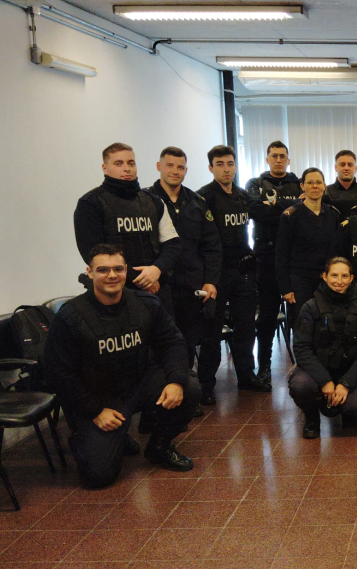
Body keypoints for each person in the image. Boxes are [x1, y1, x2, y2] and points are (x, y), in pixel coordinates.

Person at [43, 244, 199, 488]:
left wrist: (176, 381)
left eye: (118, 269)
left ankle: (159, 446)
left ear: (126, 270)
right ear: (90, 273)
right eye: (103, 270)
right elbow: (59, 372)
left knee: (189, 386)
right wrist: (95, 411)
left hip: (138, 384)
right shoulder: (71, 316)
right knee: (98, 477)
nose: (112, 275)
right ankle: (88, 437)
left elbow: (173, 342)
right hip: (98, 397)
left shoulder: (146, 304)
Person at [196, 145, 270, 404]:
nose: (226, 169)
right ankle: (206, 385)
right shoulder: (203, 197)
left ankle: (246, 376)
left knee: (245, 328)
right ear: (211, 168)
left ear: (236, 166)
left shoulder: (242, 196)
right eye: (220, 164)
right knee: (212, 331)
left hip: (243, 270)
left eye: (230, 164)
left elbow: (264, 213)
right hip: (216, 274)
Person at [74, 142, 181, 314]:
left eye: (131, 163)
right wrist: (142, 280)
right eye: (119, 163)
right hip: (115, 292)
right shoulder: (90, 203)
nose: (127, 168)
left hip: (158, 288)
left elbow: (173, 243)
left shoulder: (154, 201)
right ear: (105, 168)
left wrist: (157, 270)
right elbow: (92, 253)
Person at [148, 147, 222, 368]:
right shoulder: (145, 201)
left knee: (188, 343)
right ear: (159, 167)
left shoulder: (197, 202)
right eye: (169, 166)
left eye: (180, 167)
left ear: (186, 171)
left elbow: (212, 246)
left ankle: (185, 385)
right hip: (159, 286)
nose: (175, 171)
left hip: (191, 286)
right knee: (160, 344)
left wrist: (210, 281)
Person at [289, 257, 357, 437]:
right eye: (334, 275)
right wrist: (325, 381)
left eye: (344, 276)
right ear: (325, 276)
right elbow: (301, 348)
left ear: (351, 278)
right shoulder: (310, 307)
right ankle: (312, 419)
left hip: (349, 372)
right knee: (300, 386)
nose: (339, 281)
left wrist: (346, 384)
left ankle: (347, 413)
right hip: (317, 371)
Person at [246, 141, 302, 387]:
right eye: (274, 156)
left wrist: (273, 204)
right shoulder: (255, 184)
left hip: (294, 260)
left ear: (288, 160)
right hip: (265, 259)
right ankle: (265, 367)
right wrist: (289, 208)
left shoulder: (299, 182)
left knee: (300, 317)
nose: (278, 160)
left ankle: (304, 367)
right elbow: (255, 211)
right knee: (267, 317)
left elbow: (305, 208)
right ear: (267, 158)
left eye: (282, 156)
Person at [276, 167, 342, 325]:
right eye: (310, 183)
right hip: (300, 280)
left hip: (326, 280)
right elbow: (281, 254)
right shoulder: (290, 215)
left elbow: (337, 250)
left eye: (318, 182)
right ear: (302, 186)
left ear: (324, 186)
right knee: (302, 326)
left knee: (328, 327)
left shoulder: (333, 214)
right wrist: (285, 288)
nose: (314, 186)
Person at [325, 149, 357, 214]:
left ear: (356, 168)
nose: (346, 168)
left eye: (350, 165)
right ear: (336, 168)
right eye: (342, 164)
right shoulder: (325, 192)